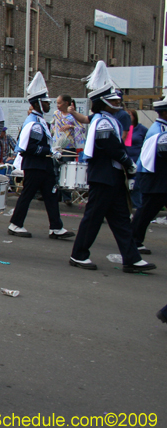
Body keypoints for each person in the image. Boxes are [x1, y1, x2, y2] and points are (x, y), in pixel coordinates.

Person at [69, 61, 156, 273]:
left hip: (112, 176)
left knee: (120, 219)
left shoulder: (107, 119)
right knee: (94, 217)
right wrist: (129, 164)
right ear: (104, 102)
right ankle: (78, 254)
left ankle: (131, 258)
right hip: (104, 175)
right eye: (113, 99)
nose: (118, 101)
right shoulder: (104, 121)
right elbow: (111, 148)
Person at [7, 72, 75, 240]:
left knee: (51, 195)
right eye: (45, 102)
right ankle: (15, 224)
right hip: (35, 165)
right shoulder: (34, 123)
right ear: (37, 103)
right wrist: (49, 151)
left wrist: (53, 150)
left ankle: (56, 227)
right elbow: (28, 148)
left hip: (44, 165)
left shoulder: (39, 121)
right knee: (27, 195)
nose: (48, 104)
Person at [130, 95, 167, 255]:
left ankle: (134, 240)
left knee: (146, 210)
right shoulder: (161, 131)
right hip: (154, 177)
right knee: (146, 210)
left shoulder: (159, 129)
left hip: (156, 176)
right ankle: (133, 241)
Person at [125, 109, 147, 209]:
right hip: (126, 159)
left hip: (137, 158)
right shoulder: (125, 128)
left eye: (130, 115)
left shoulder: (141, 129)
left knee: (136, 185)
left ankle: (137, 206)